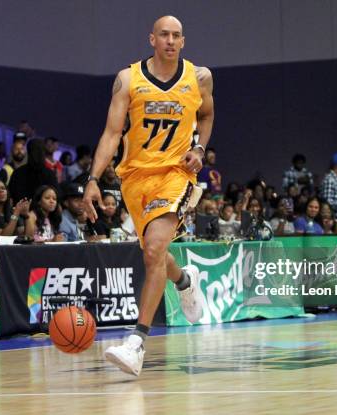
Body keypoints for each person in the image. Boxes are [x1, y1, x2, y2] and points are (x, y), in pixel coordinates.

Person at [83, 15, 214, 376]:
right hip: (135, 178)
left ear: (183, 41)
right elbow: (112, 134)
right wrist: (92, 179)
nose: (170, 41)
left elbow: (207, 115)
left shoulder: (199, 77)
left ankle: (136, 342)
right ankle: (185, 280)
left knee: (155, 250)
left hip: (176, 174)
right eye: (164, 35)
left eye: (176, 36)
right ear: (151, 39)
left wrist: (199, 149)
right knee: (153, 254)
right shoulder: (129, 80)